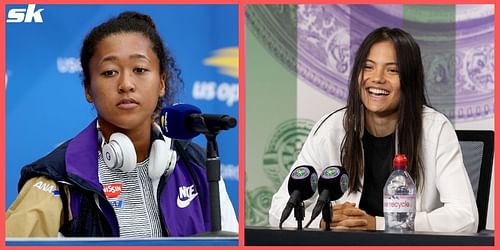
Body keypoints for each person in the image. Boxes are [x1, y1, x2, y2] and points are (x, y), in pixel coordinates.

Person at [6, 11, 238, 237]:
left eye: (140, 69)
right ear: (88, 89)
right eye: (109, 72)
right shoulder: (57, 177)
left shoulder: (197, 165)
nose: (126, 84)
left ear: (161, 83)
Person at [269, 27, 478, 233]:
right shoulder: (331, 128)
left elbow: (465, 217)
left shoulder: (435, 129)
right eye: (368, 67)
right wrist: (323, 221)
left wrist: (376, 223)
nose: (377, 78)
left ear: (410, 79)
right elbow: (279, 210)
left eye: (392, 70)